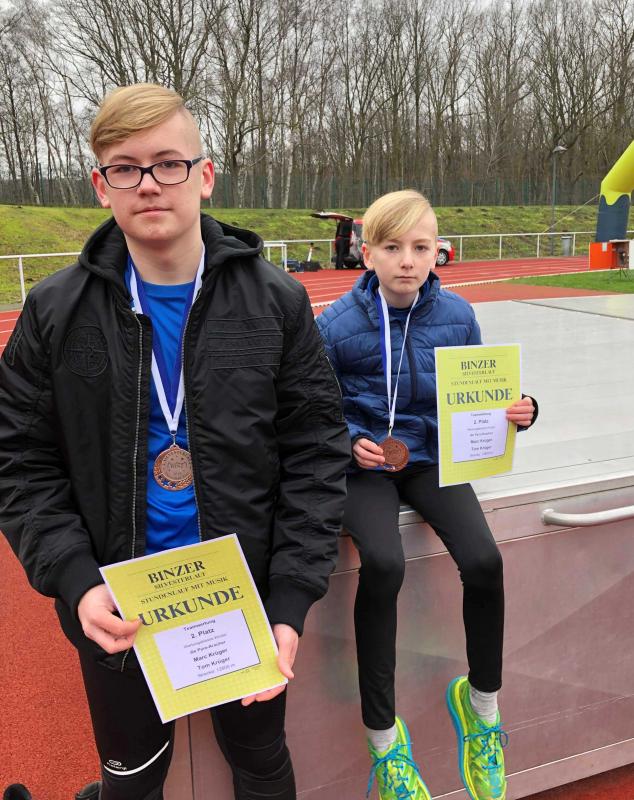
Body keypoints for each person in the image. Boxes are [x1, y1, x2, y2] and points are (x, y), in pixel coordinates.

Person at [0, 83, 350, 800]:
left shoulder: (277, 301)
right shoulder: (54, 311)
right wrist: (76, 578)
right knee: (134, 779)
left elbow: (317, 451)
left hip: (243, 597)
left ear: (205, 175)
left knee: (259, 762)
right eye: (125, 168)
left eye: (168, 163)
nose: (149, 183)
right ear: (101, 186)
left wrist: (288, 600)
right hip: (116, 603)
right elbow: (18, 458)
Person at [316, 190, 537, 800]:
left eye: (420, 247)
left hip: (433, 458)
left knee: (485, 561)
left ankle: (481, 706)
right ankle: (384, 740)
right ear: (367, 254)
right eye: (392, 247)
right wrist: (349, 441)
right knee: (384, 563)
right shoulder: (334, 325)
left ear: (437, 250)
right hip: (364, 467)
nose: (408, 260)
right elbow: (312, 409)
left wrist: (520, 409)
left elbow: (485, 393)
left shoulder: (458, 316)